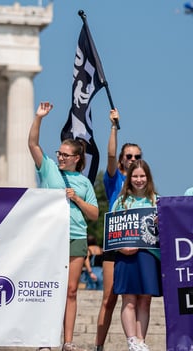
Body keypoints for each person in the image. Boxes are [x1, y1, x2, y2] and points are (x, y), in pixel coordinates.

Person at [28, 101, 99, 351]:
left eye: (65, 155)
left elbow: (94, 214)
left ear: (76, 159)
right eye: (58, 153)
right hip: (50, 237)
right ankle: (45, 340)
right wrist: (39, 118)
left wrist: (76, 198)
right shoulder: (47, 168)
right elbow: (33, 145)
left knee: (70, 291)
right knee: (49, 288)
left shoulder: (84, 183)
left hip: (76, 237)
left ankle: (67, 341)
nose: (59, 157)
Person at [94, 109, 142, 351]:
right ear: (123, 159)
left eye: (137, 156)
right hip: (115, 245)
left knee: (136, 298)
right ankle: (99, 346)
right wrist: (114, 126)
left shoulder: (144, 184)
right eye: (129, 156)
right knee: (109, 298)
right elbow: (110, 154)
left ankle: (137, 343)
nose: (132, 159)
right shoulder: (115, 179)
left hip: (138, 246)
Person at [111, 159, 162, 351]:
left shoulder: (157, 200)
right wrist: (121, 248)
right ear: (129, 177)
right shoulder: (121, 201)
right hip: (126, 256)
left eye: (142, 176)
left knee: (145, 300)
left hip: (149, 256)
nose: (139, 179)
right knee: (129, 300)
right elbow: (112, 233)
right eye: (135, 176)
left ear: (148, 178)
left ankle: (141, 341)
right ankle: (131, 340)